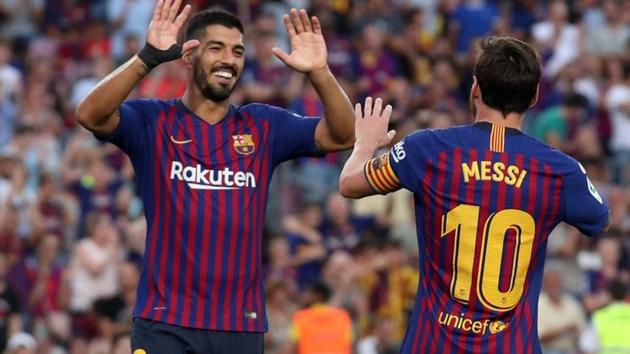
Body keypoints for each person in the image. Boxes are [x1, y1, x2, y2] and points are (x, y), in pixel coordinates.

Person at [75, 0, 354, 353]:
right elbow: (89, 114)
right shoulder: (152, 121)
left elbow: (342, 136)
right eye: (216, 48)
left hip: (239, 325)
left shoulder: (263, 126)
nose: (229, 59)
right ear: (188, 57)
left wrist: (320, 73)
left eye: (237, 51)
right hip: (165, 322)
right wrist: (147, 57)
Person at [339, 36, 610, 353]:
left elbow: (349, 184)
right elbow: (600, 220)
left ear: (475, 88)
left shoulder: (427, 149)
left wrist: (365, 144)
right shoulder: (559, 171)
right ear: (535, 96)